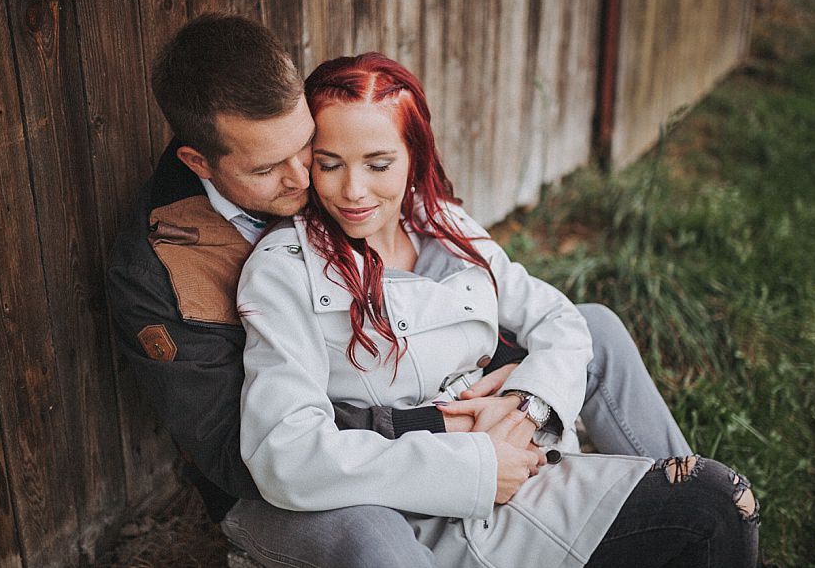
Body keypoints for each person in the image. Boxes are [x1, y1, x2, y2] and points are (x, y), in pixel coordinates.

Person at [106, 13, 703, 567]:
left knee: (590, 329)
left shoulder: (342, 177)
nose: (304, 182)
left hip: (411, 404)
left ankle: (677, 506)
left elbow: (414, 303)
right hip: (283, 486)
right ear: (200, 162)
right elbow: (241, 452)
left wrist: (512, 400)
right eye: (267, 170)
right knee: (370, 533)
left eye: (307, 150)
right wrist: (443, 427)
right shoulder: (154, 275)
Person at [236, 52, 763, 567]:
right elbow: (288, 452)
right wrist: (476, 464)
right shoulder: (286, 269)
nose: (353, 190)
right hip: (423, 502)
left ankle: (666, 480)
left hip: (523, 462)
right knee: (711, 505)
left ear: (413, 156)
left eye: (379, 164)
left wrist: (525, 406)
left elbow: (559, 319)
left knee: (716, 499)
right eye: (329, 165)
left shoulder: (442, 225)